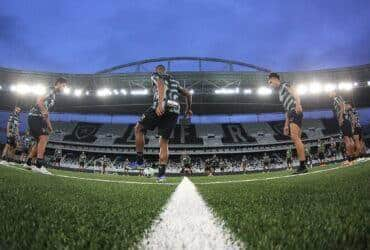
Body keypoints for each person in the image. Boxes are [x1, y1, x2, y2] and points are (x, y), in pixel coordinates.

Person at [134, 65, 192, 182]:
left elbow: (161, 84)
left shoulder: (156, 76)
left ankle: (139, 161)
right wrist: (188, 108)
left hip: (160, 105)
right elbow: (188, 94)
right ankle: (161, 175)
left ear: (157, 70)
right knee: (164, 141)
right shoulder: (175, 82)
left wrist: (160, 103)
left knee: (139, 128)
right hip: (175, 109)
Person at [25, 77, 67, 174]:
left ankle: (28, 163)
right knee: (43, 137)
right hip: (34, 116)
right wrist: (44, 112)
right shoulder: (50, 90)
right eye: (63, 86)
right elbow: (39, 101)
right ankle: (39, 165)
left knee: (39, 140)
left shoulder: (54, 96)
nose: (64, 88)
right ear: (58, 83)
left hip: (40, 119)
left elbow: (46, 112)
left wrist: (49, 125)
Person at [268, 73, 307, 174]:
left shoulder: (284, 85)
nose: (270, 85)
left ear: (274, 79)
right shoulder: (280, 92)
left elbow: (295, 93)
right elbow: (286, 109)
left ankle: (303, 166)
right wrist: (286, 125)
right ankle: (303, 165)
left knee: (295, 137)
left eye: (270, 82)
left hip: (295, 110)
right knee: (296, 138)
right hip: (290, 112)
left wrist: (298, 104)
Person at [329, 91, 355, 165]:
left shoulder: (336, 98)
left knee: (346, 140)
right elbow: (343, 105)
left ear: (334, 92)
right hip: (346, 120)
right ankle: (352, 159)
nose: (329, 93)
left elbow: (342, 106)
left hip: (343, 119)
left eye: (330, 92)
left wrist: (340, 118)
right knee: (350, 139)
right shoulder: (339, 98)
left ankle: (349, 159)